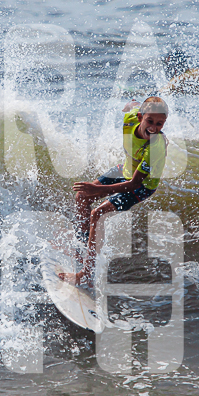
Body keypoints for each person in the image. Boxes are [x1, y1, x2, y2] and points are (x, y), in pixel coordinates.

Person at [60, 96, 170, 287]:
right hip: (124, 170)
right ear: (140, 117)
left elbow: (134, 184)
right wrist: (131, 103)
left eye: (159, 124)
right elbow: (132, 105)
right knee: (81, 196)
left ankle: (85, 274)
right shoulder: (131, 118)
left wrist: (96, 189)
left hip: (143, 185)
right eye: (150, 121)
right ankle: (83, 247)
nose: (154, 127)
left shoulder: (155, 147)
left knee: (98, 213)